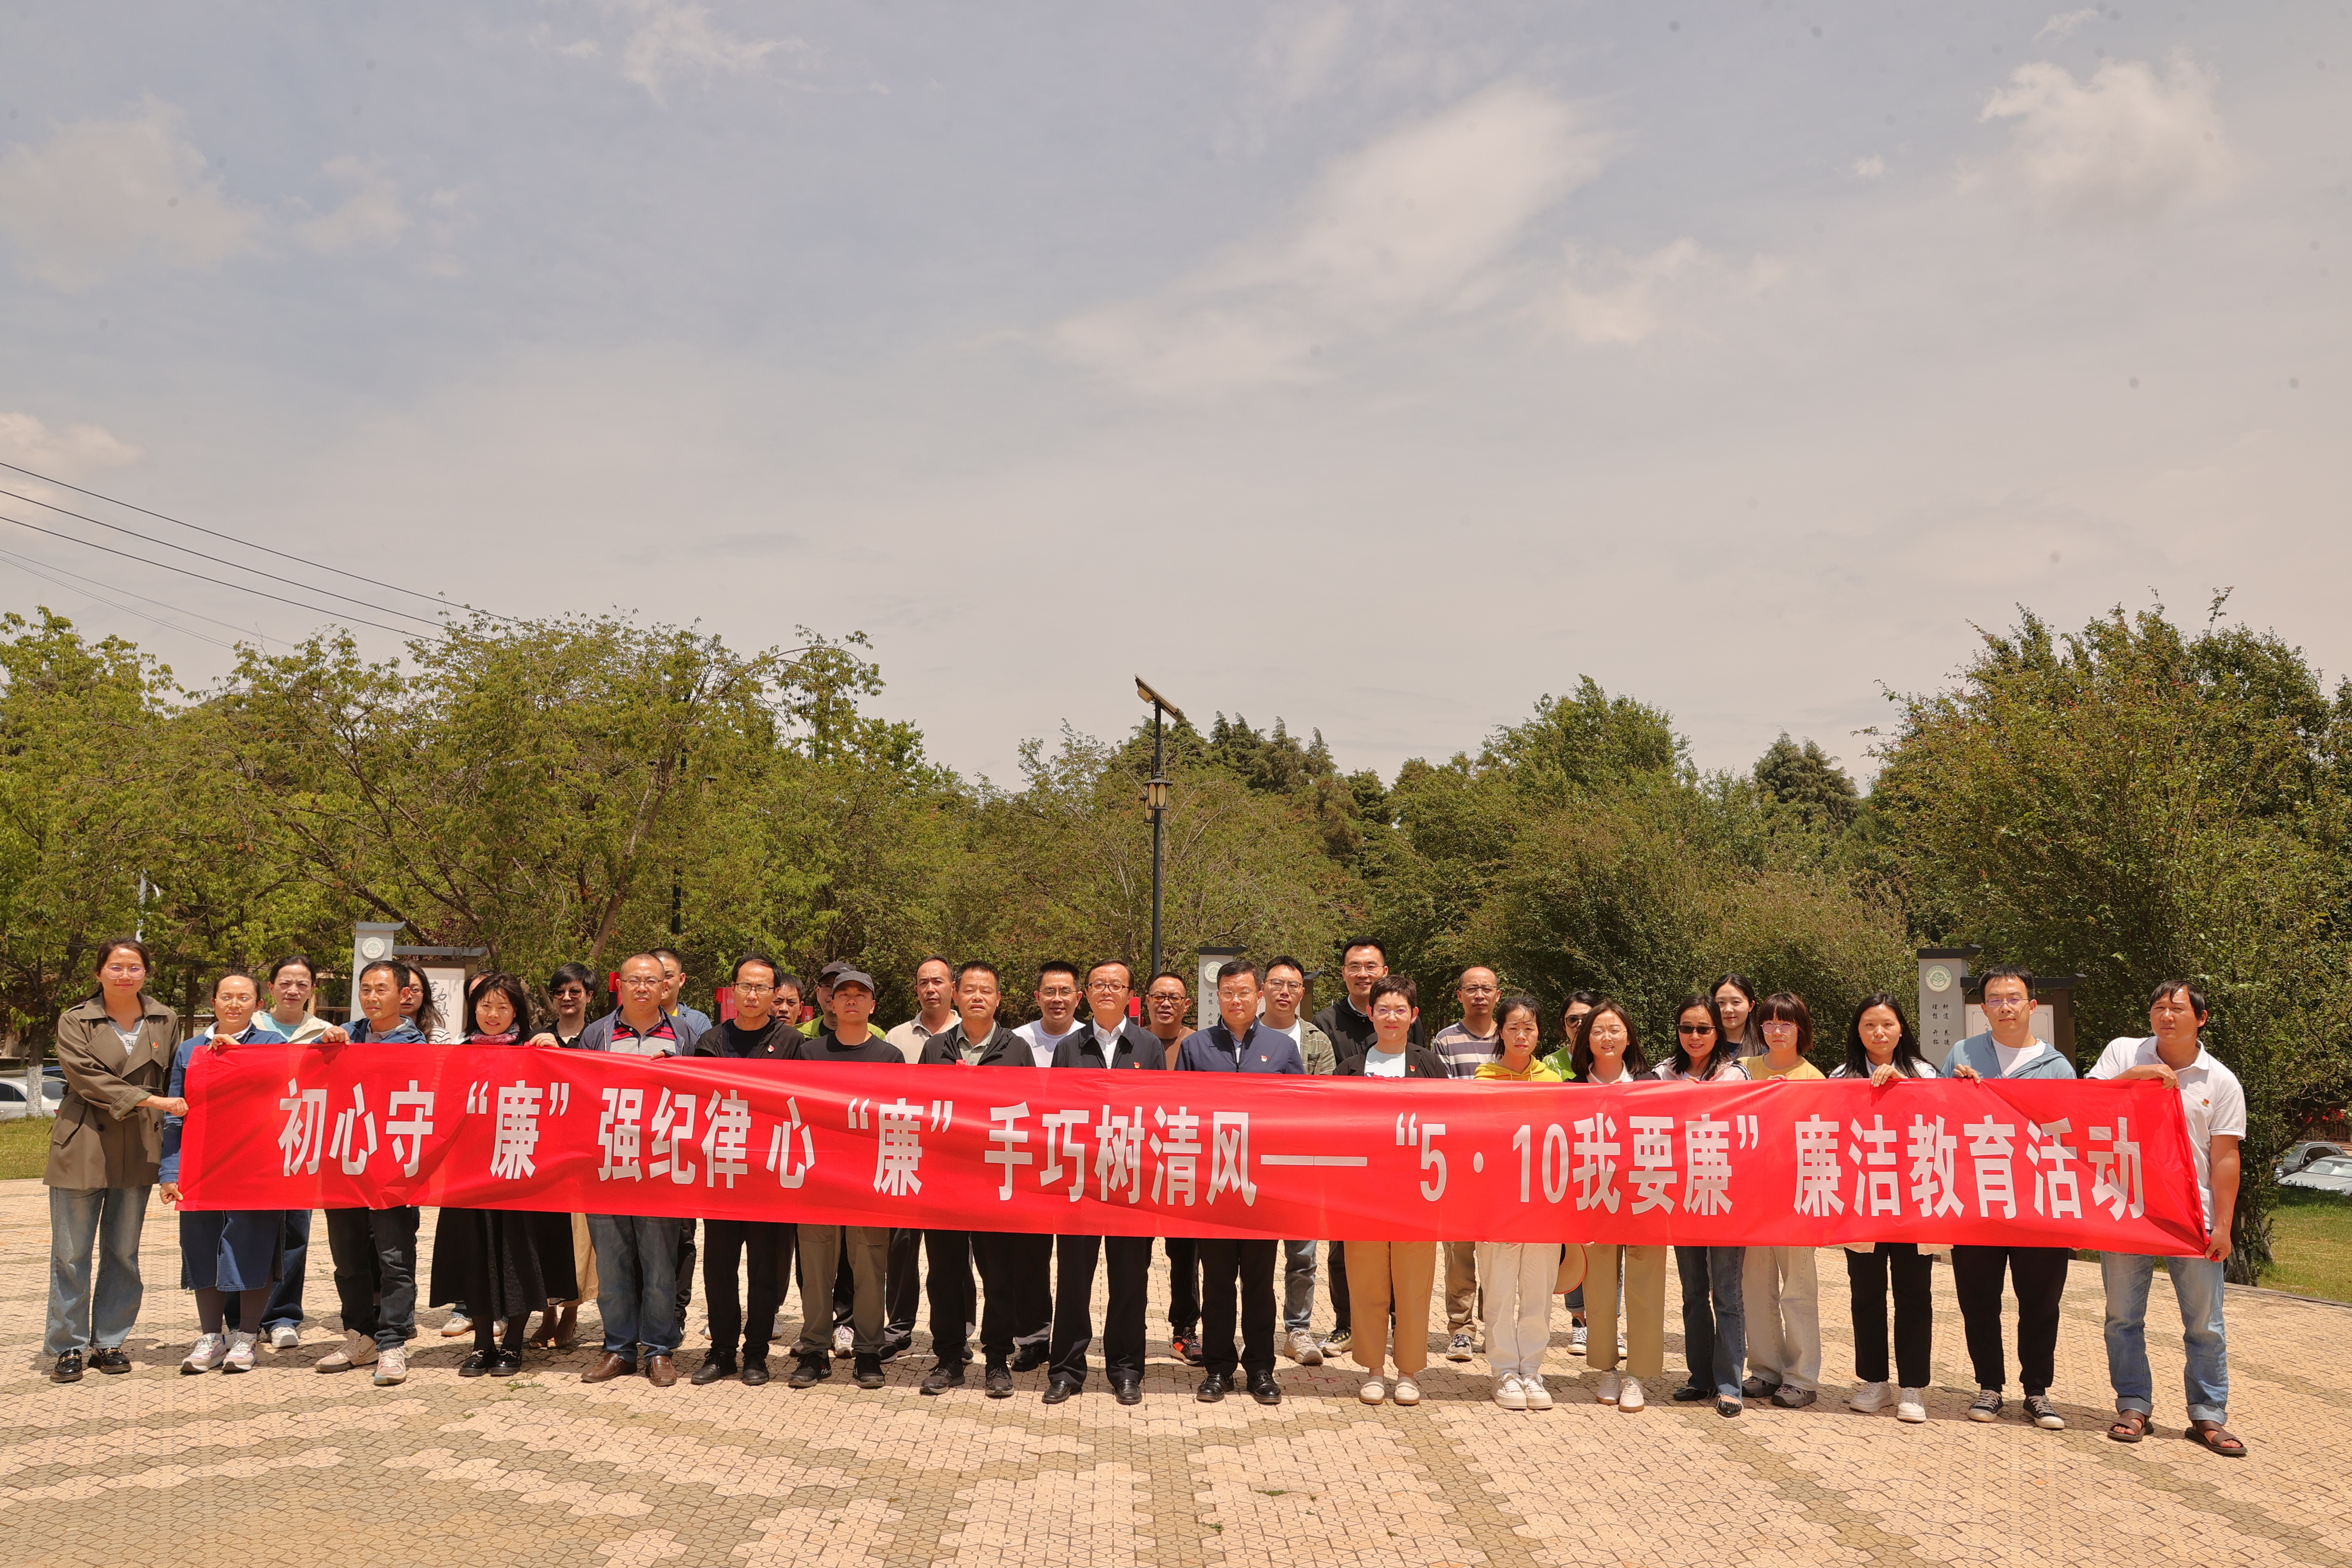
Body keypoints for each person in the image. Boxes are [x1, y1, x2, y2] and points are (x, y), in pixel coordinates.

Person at [2091, 981, 2246, 1457]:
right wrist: (2134, 1076)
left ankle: (2208, 1415)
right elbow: (2084, 1104)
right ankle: (2133, 1405)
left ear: (2201, 1018)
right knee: (2122, 1318)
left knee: (2205, 1325)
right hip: (2126, 1210)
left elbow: (2225, 1157)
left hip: (2192, 1217)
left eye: (2178, 1008)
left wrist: (2223, 1226)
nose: (2167, 1016)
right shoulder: (2123, 1053)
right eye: (2159, 1007)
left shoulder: (2220, 1081)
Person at [1944, 965, 2075, 1430]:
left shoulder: (2057, 1067)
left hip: (2039, 1202)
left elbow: (2070, 1135)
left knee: (2041, 1302)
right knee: (1979, 1299)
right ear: (1983, 1008)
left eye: (2014, 998)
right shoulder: (1962, 1054)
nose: (2005, 1007)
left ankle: (2037, 1391)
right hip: (1977, 1199)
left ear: (2032, 1006)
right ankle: (1989, 1386)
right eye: (1996, 999)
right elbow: (1936, 1116)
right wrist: (1954, 1089)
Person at [1176, 959, 1305, 1404]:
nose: (1236, 1000)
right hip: (1213, 1186)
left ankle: (1261, 1368)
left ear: (1259, 995)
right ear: (1218, 997)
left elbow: (1298, 1115)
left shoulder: (1282, 1048)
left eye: (1244, 992)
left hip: (1261, 1187)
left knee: (1259, 1283)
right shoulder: (1196, 1047)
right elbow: (1180, 1113)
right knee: (1216, 1283)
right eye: (1228, 993)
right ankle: (1218, 1368)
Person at [576, 952, 704, 1387]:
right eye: (635, 980)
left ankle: (660, 1350)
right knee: (612, 1267)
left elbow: (701, 1095)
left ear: (666, 985)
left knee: (660, 1266)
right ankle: (618, 1348)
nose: (644, 987)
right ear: (620, 985)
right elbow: (579, 1090)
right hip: (608, 1165)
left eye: (652, 980)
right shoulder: (597, 1034)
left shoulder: (685, 1035)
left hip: (662, 1168)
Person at [1042, 960, 1164, 1405]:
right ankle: (1066, 1370)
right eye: (1099, 984)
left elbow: (1161, 1114)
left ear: (1131, 994)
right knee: (1074, 1281)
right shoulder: (1069, 1046)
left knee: (1130, 1281)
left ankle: (1127, 1370)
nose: (1107, 991)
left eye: (1116, 985)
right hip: (1081, 1183)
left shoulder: (1149, 1046)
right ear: (1086, 994)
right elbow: (1055, 1112)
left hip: (1132, 1183)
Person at [158, 969, 285, 1375]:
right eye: (226, 997)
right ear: (213, 1003)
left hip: (256, 1166)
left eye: (244, 997)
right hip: (202, 1165)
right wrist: (170, 1172)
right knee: (202, 1246)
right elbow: (176, 1114)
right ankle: (211, 1336)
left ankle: (247, 1336)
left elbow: (281, 1090)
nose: (234, 1004)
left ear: (258, 1005)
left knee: (253, 1245)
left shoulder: (272, 1044)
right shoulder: (190, 1050)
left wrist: (239, 1056)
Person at [780, 968, 901, 1391]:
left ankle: (868, 1351)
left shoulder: (890, 1057)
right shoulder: (810, 1053)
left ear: (873, 1005)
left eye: (860, 994)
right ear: (831, 1003)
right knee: (816, 1269)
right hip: (818, 1178)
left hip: (869, 1181)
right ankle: (814, 1350)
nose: (851, 1000)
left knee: (869, 1267)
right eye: (843, 993)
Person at [313, 959, 429, 1385]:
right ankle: (359, 1335)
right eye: (366, 989)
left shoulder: (417, 1046)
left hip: (393, 1167)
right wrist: (324, 1046)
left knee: (394, 1258)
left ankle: (393, 1341)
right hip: (344, 1163)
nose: (372, 997)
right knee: (347, 1258)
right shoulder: (344, 1036)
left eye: (382, 989)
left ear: (404, 995)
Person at [429, 974, 550, 1376]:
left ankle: (512, 1344)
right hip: (468, 1177)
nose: (493, 1015)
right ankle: (482, 1344)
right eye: (485, 1006)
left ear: (517, 1011)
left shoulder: (535, 1052)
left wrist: (558, 1052)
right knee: (474, 1258)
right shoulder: (458, 1054)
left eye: (502, 1007)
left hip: (519, 1174)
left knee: (517, 1259)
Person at [913, 960, 1025, 1395]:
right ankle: (948, 1359)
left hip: (998, 1180)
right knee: (945, 1275)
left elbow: (1031, 1115)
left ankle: (997, 1360)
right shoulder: (936, 1048)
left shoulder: (1017, 1049)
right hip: (945, 1181)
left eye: (987, 990)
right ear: (956, 996)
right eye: (970, 990)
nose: (978, 997)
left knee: (1000, 1276)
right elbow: (920, 1107)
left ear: (998, 999)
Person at [1334, 974, 1445, 1405]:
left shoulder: (1429, 1065)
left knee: (1414, 1287)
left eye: (1400, 1010)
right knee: (1368, 1286)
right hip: (1363, 1195)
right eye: (1383, 1010)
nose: (1392, 1017)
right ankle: (1374, 1369)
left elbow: (1448, 1125)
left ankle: (1409, 1371)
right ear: (1370, 1014)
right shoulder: (1351, 1068)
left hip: (1417, 1194)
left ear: (1413, 1015)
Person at [690, 953, 801, 1386]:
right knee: (719, 1267)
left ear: (775, 994)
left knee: (765, 1270)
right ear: (732, 991)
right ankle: (721, 1351)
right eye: (745, 986)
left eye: (762, 987)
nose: (753, 995)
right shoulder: (711, 1040)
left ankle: (756, 1352)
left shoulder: (792, 1044)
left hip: (769, 1174)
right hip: (722, 1172)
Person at [1829, 993, 1938, 1424]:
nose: (1879, 1033)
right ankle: (1874, 1381)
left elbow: (1941, 1123)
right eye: (1869, 1025)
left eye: (1887, 1024)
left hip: (1912, 1200)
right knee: (1866, 1294)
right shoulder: (1841, 1077)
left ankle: (1913, 1387)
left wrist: (1903, 1085)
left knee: (1915, 1294)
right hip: (1862, 1201)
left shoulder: (1925, 1073)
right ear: (1858, 1031)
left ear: (1901, 1029)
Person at [1473, 995, 1572, 1410]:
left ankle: (1531, 1369)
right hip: (1497, 1203)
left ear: (1539, 1033)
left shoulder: (1553, 1082)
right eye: (1513, 1027)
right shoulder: (1483, 1080)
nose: (1521, 1035)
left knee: (1537, 1293)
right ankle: (1503, 1372)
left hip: (1544, 1203)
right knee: (1498, 1291)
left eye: (1529, 1028)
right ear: (1500, 1031)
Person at [1655, 993, 1749, 1416]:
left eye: (1704, 1029)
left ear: (1718, 1031)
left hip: (1726, 1197)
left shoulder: (1736, 1076)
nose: (1695, 1036)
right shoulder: (1662, 1074)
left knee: (1726, 1294)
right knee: (1693, 1292)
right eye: (1687, 1028)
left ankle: (1730, 1385)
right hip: (1681, 1197)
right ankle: (1700, 1378)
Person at [1574, 1001, 1663, 1413]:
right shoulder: (1572, 1088)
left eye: (1615, 1030)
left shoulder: (1651, 1084)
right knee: (1598, 1289)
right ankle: (1606, 1368)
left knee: (1646, 1287)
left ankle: (1638, 1375)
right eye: (1598, 1031)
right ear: (1586, 1039)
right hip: (1594, 1199)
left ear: (1629, 1038)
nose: (1607, 1038)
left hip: (1645, 1199)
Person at [1740, 992, 1825, 1409]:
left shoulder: (1814, 1078)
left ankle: (1802, 1377)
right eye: (1769, 1023)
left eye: (1786, 1023)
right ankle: (1765, 1370)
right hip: (1752, 1199)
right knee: (1755, 1288)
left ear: (1800, 1029)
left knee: (1798, 1289)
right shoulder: (1743, 1070)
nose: (1776, 1031)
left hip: (1796, 1199)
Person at [1260, 956, 1334, 1366]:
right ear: (1263, 990)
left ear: (1302, 992)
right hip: (1251, 1163)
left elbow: (1322, 1102)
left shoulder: (1317, 1041)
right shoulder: (1245, 1036)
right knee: (1251, 1257)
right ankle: (1251, 1330)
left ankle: (1298, 1330)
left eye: (1292, 985)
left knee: (1303, 1256)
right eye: (1276, 983)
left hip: (1302, 1162)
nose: (1284, 992)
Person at [879, 956, 954, 1360]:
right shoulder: (897, 1036)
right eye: (924, 982)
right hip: (907, 1151)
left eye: (938, 981)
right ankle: (898, 1327)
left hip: (953, 1159)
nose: (931, 989)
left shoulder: (970, 1033)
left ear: (952, 988)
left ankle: (958, 1329)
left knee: (955, 1252)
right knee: (901, 1248)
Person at [257, 953, 332, 1350]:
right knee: (247, 1231)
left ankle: (283, 1316)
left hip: (302, 1143)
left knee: (295, 1232)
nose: (293, 990)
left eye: (302, 984)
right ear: (270, 987)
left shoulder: (327, 1033)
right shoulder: (249, 1028)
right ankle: (242, 1316)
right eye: (285, 983)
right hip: (252, 1145)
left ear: (312, 990)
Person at [525, 960, 598, 1351]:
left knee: (580, 1238)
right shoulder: (538, 1038)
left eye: (575, 992)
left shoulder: (599, 1038)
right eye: (560, 992)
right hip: (544, 1150)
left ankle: (571, 1312)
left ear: (589, 996)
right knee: (546, 1234)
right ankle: (547, 1313)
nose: (567, 998)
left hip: (585, 1151)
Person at [1431, 965, 1502, 1362]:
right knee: (1458, 1252)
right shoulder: (1445, 1040)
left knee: (1497, 1251)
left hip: (1502, 1162)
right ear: (1459, 995)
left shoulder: (1511, 1036)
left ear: (1498, 994)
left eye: (1486, 988)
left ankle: (1495, 1327)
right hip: (1458, 1159)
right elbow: (1445, 1100)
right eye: (1472, 989)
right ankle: (1460, 1329)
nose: (1479, 995)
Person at [1141, 971, 1207, 1366]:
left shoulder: (1200, 1046)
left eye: (1174, 998)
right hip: (1137, 1166)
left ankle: (1185, 1331)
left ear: (1186, 1005)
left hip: (1184, 1165)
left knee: (1186, 1256)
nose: (1166, 1003)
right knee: (1133, 1256)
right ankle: (1130, 1329)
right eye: (1158, 996)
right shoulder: (1133, 1043)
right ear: (1147, 1002)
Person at [1546, 990, 1599, 1353]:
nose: (1579, 1025)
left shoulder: (1610, 1057)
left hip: (1606, 1164)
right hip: (1567, 1166)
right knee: (1573, 1245)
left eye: (1586, 1018)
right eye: (1572, 1019)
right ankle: (1579, 1320)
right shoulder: (1552, 1065)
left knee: (1607, 1249)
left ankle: (1606, 1321)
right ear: (1563, 1025)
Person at [652, 947, 714, 1034]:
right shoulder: (633, 1019)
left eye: (668, 976)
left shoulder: (697, 1022)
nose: (662, 982)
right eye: (654, 977)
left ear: (681, 980)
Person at [1712, 974, 1764, 1057]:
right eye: (1721, 1002)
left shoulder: (1766, 1047)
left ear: (1751, 1006)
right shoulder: (1703, 1044)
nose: (1728, 1010)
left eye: (1736, 1002)